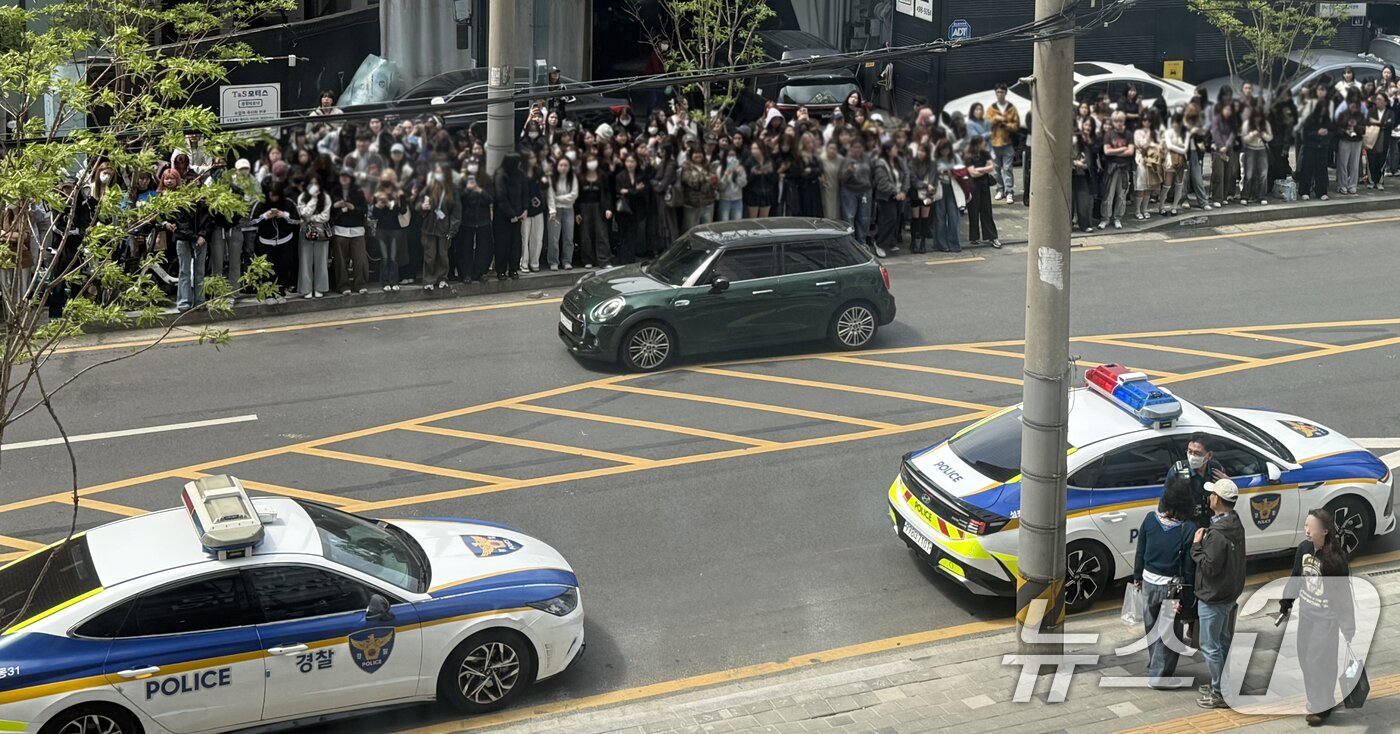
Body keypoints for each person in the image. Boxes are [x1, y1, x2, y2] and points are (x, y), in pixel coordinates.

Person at [1278, 509, 1357, 726]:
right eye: (1305, 526)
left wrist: (1348, 626)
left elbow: (1344, 596)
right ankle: (1318, 698)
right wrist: (1286, 602)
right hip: (1307, 615)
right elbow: (1296, 577)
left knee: (1319, 661)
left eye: (1311, 528)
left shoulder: (1335, 559)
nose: (1307, 531)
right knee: (1305, 658)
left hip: (1327, 619)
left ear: (1324, 531)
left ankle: (1322, 705)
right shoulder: (1304, 549)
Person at [1133, 478, 1198, 689]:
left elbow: (1140, 550)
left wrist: (1137, 577)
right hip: (1171, 588)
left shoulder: (1150, 520)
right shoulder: (1188, 529)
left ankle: (1154, 665)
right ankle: (1160, 677)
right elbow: (1188, 566)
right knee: (1169, 632)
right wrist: (1188, 594)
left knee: (1151, 627)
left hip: (1148, 581)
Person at [1191, 478, 1247, 710]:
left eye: (1212, 494)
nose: (1209, 497)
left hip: (1213, 596)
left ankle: (1219, 692)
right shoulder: (1235, 524)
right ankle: (1223, 685)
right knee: (1223, 641)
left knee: (1210, 645)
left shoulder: (1217, 534)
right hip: (1229, 593)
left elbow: (1209, 567)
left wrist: (1197, 545)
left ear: (1217, 499)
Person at [164, 173, 212, 313]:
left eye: (196, 184)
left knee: (199, 271)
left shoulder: (205, 202)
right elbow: (180, 224)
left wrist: (203, 236)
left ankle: (200, 301)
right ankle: (184, 303)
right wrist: (195, 237)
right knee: (184, 271)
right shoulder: (179, 201)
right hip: (184, 239)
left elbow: (209, 221)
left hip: (201, 240)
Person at [1164, 434, 1228, 524]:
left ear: (1209, 455)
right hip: (1186, 525)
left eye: (1197, 453)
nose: (1192, 456)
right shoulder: (1178, 470)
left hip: (1211, 524)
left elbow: (1226, 504)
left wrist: (1227, 485)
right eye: (1189, 451)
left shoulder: (1216, 469)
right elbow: (1165, 505)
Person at [419, 162, 461, 290]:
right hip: (429, 226)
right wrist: (422, 207)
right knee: (430, 254)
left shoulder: (452, 189)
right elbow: (418, 204)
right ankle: (429, 280)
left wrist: (453, 228)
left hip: (444, 227)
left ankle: (442, 278)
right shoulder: (429, 187)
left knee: (443, 254)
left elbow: (456, 211)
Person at [251, 185, 299, 297]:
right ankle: (268, 293)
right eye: (272, 195)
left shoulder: (288, 203)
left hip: (285, 242)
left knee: (283, 268)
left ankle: (281, 291)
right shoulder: (260, 203)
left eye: (276, 196)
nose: (274, 198)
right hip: (266, 243)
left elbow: (297, 220)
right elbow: (252, 221)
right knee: (267, 270)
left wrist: (284, 215)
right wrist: (264, 216)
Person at [330, 169, 370, 295]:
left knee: (360, 259)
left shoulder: (358, 191)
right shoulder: (334, 191)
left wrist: (353, 208)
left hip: (357, 229)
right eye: (342, 176)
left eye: (346, 176)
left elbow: (364, 209)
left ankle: (360, 284)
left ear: (351, 178)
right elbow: (327, 210)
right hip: (340, 229)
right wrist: (335, 207)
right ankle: (343, 286)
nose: (344, 178)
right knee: (340, 260)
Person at [295, 174, 332, 299]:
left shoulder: (326, 197)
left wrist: (310, 219)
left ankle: (320, 287)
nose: (314, 186)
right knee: (305, 262)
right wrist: (313, 200)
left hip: (321, 231)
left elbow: (325, 216)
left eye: (317, 183)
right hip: (305, 231)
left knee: (321, 261)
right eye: (312, 183)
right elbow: (303, 213)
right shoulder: (302, 197)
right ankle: (306, 289)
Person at [493, 151, 527, 280]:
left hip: (518, 215)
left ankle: (513, 269)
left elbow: (525, 192)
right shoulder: (500, 175)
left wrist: (525, 209)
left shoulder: (520, 175)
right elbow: (500, 197)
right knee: (502, 244)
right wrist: (511, 214)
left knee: (515, 244)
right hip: (503, 217)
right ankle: (501, 270)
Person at [1297, 85, 1334, 201]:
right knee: (1307, 168)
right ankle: (1304, 190)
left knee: (1322, 169)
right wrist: (1317, 132)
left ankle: (1321, 191)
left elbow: (1333, 128)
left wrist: (1327, 132)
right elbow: (1305, 130)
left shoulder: (1328, 113)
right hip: (1310, 144)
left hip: (1323, 145)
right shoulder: (1310, 113)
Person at [576, 153, 613, 268]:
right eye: (589, 160)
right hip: (584, 206)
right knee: (585, 234)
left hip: (599, 206)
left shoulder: (602, 176)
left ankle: (604, 260)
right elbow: (577, 196)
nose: (592, 162)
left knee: (601, 233)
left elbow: (607, 193)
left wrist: (608, 208)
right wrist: (577, 212)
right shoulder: (580, 177)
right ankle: (588, 259)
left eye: (593, 160)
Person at [872, 142, 909, 256]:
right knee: (889, 219)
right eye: (894, 148)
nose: (896, 150)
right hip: (886, 196)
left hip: (899, 195)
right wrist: (895, 192)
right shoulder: (880, 163)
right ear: (887, 151)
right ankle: (880, 243)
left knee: (897, 219)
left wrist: (903, 191)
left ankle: (891, 242)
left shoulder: (899, 161)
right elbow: (882, 182)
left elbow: (906, 174)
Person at [371, 174, 406, 291]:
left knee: (393, 257)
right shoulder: (378, 195)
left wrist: (396, 202)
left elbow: (403, 210)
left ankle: (394, 281)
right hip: (382, 229)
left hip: (395, 229)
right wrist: (379, 205)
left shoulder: (398, 195)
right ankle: (385, 282)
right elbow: (374, 214)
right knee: (385, 257)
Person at [986, 83, 1020, 203]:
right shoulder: (991, 108)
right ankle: (1000, 189)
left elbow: (1016, 125)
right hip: (994, 143)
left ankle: (1009, 191)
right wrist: (995, 120)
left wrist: (1006, 124)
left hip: (1007, 143)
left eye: (1002, 92)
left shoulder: (1011, 108)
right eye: (998, 92)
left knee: (1008, 169)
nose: (1000, 94)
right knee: (995, 169)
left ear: (1005, 93)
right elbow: (986, 124)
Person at [1099, 112, 1134, 230]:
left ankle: (1117, 218)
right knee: (1108, 194)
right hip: (1111, 168)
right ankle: (1105, 218)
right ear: (1113, 122)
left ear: (1124, 121)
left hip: (1124, 169)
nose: (1118, 124)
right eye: (1116, 121)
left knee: (1121, 195)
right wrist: (1123, 148)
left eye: (1120, 121)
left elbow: (1130, 152)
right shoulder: (1109, 135)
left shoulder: (1129, 134)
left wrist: (1115, 150)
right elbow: (1106, 151)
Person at [963, 135, 999, 247]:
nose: (984, 144)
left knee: (987, 210)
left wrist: (979, 169)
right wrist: (984, 170)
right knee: (973, 211)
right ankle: (974, 237)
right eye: (983, 142)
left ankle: (991, 236)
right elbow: (972, 173)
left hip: (984, 185)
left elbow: (991, 167)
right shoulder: (968, 156)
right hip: (973, 186)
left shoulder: (985, 154)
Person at [613, 153, 649, 264]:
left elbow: (643, 191)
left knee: (633, 235)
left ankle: (631, 259)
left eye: (632, 161)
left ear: (636, 163)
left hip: (637, 210)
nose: (630, 164)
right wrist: (634, 190)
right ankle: (622, 259)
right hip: (623, 210)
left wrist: (628, 191)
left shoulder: (641, 175)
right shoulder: (620, 176)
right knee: (623, 235)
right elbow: (619, 192)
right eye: (628, 161)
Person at [838, 139, 874, 245]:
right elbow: (841, 179)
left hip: (865, 191)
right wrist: (849, 171)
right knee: (849, 217)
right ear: (851, 148)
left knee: (864, 218)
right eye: (855, 147)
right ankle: (851, 243)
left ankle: (862, 242)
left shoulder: (867, 158)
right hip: (850, 191)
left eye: (859, 147)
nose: (857, 149)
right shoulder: (846, 160)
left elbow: (872, 173)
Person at [547, 156, 578, 270]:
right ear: (557, 166)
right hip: (555, 210)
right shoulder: (552, 177)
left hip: (569, 209)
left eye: (566, 165)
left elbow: (573, 195)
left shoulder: (572, 177)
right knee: (553, 238)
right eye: (561, 165)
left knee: (569, 237)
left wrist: (559, 198)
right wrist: (552, 210)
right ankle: (553, 261)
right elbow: (550, 195)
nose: (563, 168)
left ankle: (567, 261)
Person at [932, 139, 961, 253]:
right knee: (940, 217)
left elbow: (962, 172)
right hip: (940, 188)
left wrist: (952, 172)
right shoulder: (935, 159)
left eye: (947, 149)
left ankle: (954, 244)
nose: (945, 152)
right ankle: (941, 244)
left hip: (953, 188)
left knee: (954, 217)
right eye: (943, 150)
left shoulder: (955, 158)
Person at [520, 151, 547, 272]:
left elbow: (544, 186)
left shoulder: (539, 172)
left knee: (537, 237)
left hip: (538, 207)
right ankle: (524, 262)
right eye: (530, 158)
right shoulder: (521, 173)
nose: (533, 160)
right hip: (525, 209)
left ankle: (534, 261)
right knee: (525, 237)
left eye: (534, 157)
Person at [1209, 103, 1240, 207]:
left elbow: (1233, 134)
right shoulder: (1216, 120)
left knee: (1228, 172)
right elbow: (1215, 134)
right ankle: (1217, 197)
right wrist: (1221, 146)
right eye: (1226, 109)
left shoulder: (1232, 121)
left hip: (1228, 148)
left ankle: (1224, 196)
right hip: (1217, 148)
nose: (1228, 112)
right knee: (1218, 173)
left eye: (1229, 110)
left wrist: (1226, 146)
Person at [1133, 113, 1163, 220]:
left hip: (1152, 161)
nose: (1147, 122)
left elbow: (1159, 145)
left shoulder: (1155, 132)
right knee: (1140, 186)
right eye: (1145, 120)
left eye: (1149, 120)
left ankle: (1144, 209)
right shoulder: (1138, 132)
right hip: (1141, 160)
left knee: (1149, 186)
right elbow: (1141, 145)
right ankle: (1137, 210)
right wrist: (1149, 139)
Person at [679, 147, 717, 232]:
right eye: (695, 153)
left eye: (700, 153)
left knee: (707, 229)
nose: (698, 155)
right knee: (690, 229)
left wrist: (704, 178)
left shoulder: (708, 165)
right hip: (692, 203)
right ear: (691, 154)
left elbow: (714, 180)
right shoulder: (686, 165)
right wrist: (705, 178)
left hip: (708, 202)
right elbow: (690, 181)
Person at [1240, 107, 1273, 205]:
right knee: (1248, 174)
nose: (1257, 119)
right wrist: (1251, 135)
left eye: (1259, 117)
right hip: (1250, 149)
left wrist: (1263, 135)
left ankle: (1261, 196)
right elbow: (1244, 139)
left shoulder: (1265, 124)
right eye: (1256, 117)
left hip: (1262, 149)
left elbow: (1270, 137)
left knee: (1263, 174)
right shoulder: (1247, 124)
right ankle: (1245, 196)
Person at [1072, 119, 1099, 232]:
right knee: (1068, 201)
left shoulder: (1087, 140)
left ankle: (1085, 225)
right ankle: (1067, 225)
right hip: (1069, 173)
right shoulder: (1069, 137)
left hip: (1082, 174)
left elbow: (1091, 157)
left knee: (1083, 200)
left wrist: (1083, 164)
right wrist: (1075, 163)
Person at [908, 142, 936, 252]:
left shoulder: (931, 164)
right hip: (915, 192)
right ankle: (913, 241)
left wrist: (930, 188)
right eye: (920, 150)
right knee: (915, 218)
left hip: (928, 193)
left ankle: (923, 243)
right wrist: (925, 185)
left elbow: (933, 178)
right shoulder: (912, 163)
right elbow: (913, 179)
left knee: (925, 218)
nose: (921, 153)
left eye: (923, 151)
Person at [1335, 96, 1366, 196]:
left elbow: (1364, 129)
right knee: (1342, 164)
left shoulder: (1361, 115)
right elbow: (1337, 129)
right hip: (1345, 140)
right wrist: (1346, 130)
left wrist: (1355, 127)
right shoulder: (1342, 115)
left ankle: (1352, 185)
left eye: (1355, 106)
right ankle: (1342, 185)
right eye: (1351, 105)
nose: (1353, 108)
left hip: (1357, 141)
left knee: (1354, 164)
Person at [1365, 92, 1395, 191]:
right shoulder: (1371, 110)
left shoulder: (1390, 112)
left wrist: (1378, 122)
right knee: (1371, 160)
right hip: (1372, 138)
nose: (1377, 101)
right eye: (1377, 99)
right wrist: (1382, 124)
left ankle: (1379, 181)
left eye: (1380, 99)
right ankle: (1371, 181)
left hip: (1384, 139)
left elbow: (1389, 124)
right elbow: (1368, 121)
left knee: (1381, 161)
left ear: (1385, 102)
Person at [1163, 113, 1189, 215]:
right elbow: (1169, 146)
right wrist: (1180, 147)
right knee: (1167, 185)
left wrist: (1178, 147)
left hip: (1181, 160)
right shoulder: (1168, 132)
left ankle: (1174, 207)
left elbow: (1185, 149)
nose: (1176, 125)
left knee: (1179, 184)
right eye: (1174, 122)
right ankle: (1161, 206)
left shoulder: (1185, 133)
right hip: (1170, 159)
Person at [715, 145, 747, 222]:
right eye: (729, 155)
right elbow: (720, 187)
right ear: (725, 156)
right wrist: (726, 175)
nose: (732, 158)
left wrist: (737, 174)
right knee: (724, 223)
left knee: (737, 223)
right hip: (724, 200)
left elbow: (743, 184)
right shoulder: (720, 169)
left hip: (737, 199)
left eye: (733, 155)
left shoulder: (740, 168)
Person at [818, 141, 844, 221]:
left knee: (837, 209)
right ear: (826, 149)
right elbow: (819, 172)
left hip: (838, 187)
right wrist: (822, 180)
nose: (832, 150)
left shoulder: (841, 159)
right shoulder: (821, 158)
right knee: (827, 209)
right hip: (826, 188)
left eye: (834, 148)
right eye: (830, 148)